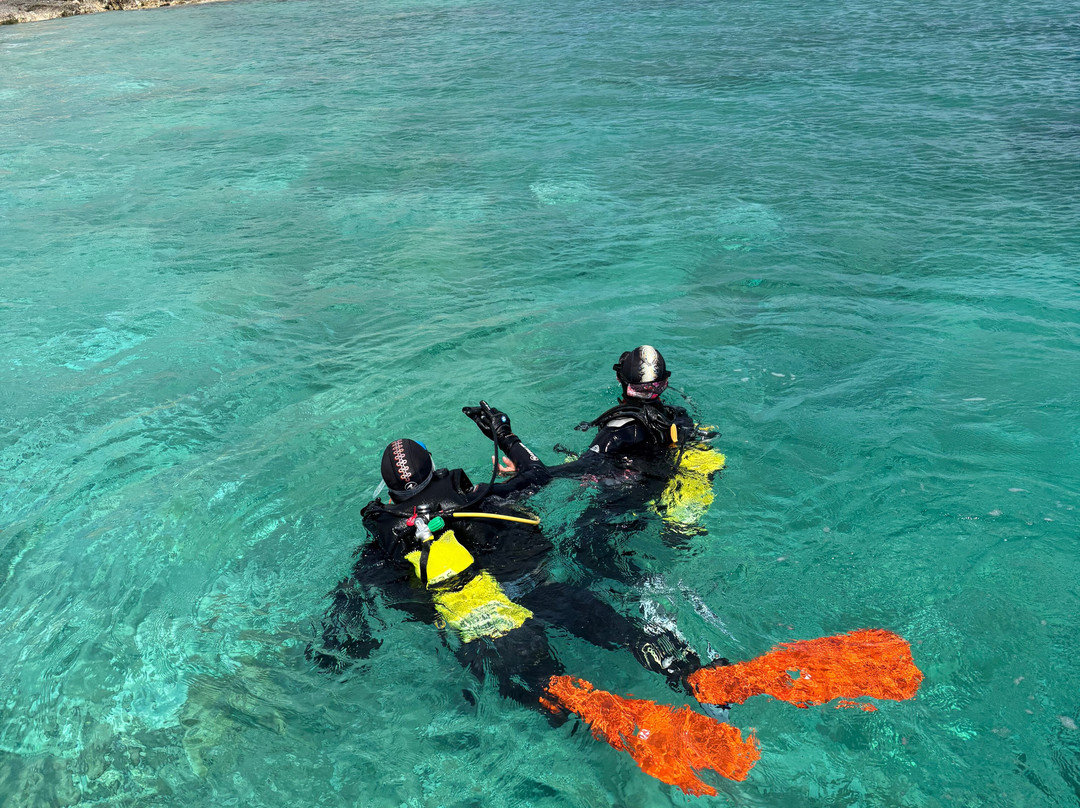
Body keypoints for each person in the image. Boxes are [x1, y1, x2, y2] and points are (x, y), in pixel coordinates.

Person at [307, 404, 720, 717]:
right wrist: (503, 434)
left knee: (557, 695)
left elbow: (348, 601)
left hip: (490, 631)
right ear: (436, 471)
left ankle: (619, 726)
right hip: (546, 594)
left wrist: (336, 649)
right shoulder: (481, 501)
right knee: (630, 636)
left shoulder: (380, 548)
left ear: (391, 494)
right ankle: (697, 674)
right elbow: (539, 476)